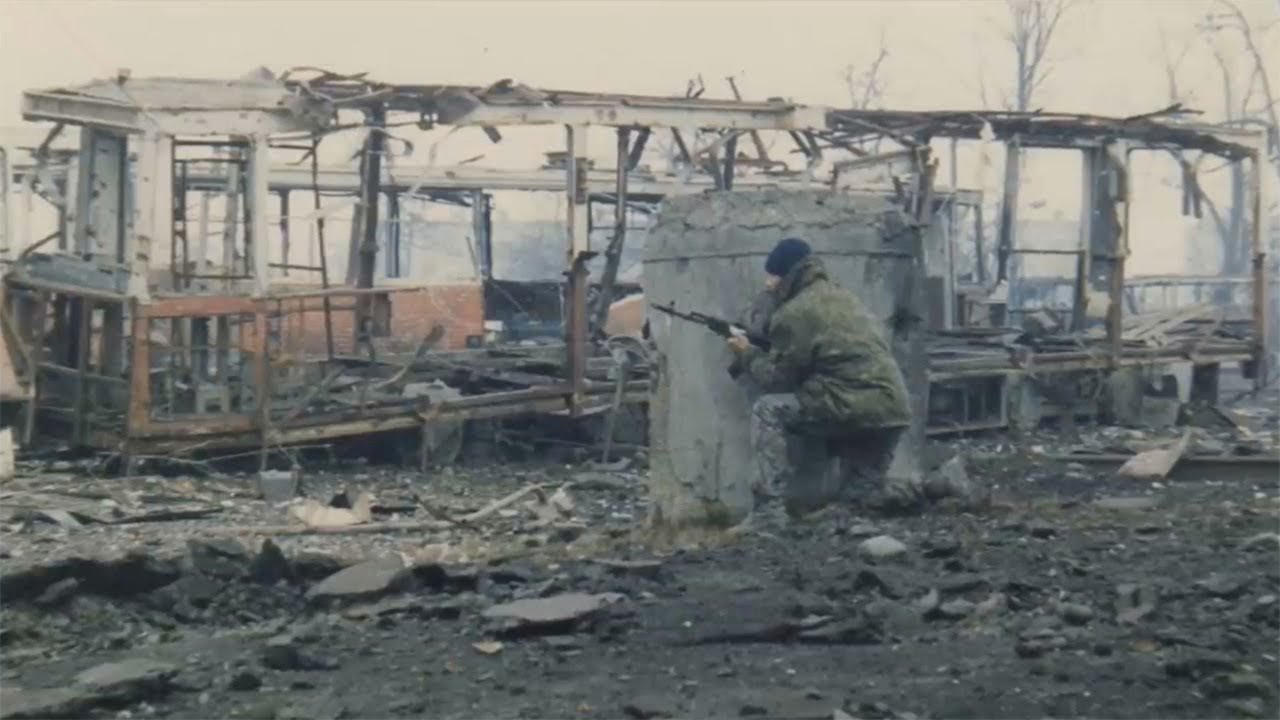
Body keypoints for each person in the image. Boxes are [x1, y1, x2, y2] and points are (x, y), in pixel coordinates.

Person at [726, 237, 920, 521]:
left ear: (785, 274)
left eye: (771, 276)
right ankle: (928, 491)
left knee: (768, 410)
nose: (768, 284)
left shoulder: (795, 311)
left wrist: (746, 353)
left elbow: (777, 380)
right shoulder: (843, 296)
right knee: (858, 504)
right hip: (892, 411)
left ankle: (770, 513)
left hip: (851, 407)